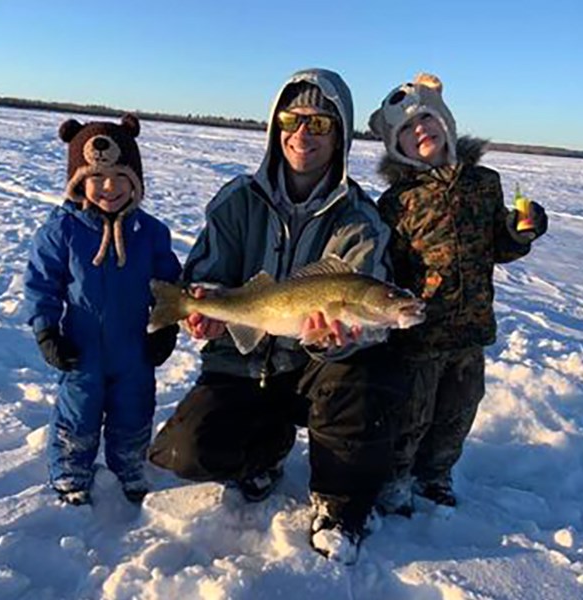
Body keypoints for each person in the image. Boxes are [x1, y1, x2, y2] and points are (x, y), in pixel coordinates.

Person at [149, 68, 405, 563]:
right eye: (292, 119)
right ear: (275, 126)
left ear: (342, 136)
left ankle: (338, 505)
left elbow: (366, 308)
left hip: (314, 370)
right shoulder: (237, 199)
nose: (303, 133)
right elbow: (206, 271)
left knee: (370, 378)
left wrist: (338, 339)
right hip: (243, 363)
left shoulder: (359, 218)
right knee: (182, 453)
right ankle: (263, 453)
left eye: (321, 124)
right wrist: (199, 310)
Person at [368, 73, 548, 515]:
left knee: (458, 411)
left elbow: (498, 246)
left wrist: (520, 231)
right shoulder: (396, 202)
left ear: (446, 123)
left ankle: (436, 475)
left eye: (427, 119)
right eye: (407, 130)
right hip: (419, 334)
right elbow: (385, 267)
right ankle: (396, 479)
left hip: (471, 330)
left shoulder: (484, 183)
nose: (420, 131)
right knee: (412, 414)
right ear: (397, 147)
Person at [24, 115, 181, 507]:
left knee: (135, 410)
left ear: (136, 183)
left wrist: (166, 328)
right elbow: (42, 284)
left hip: (134, 347)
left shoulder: (151, 233)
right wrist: (47, 331)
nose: (108, 188)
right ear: (79, 183)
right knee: (78, 412)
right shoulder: (61, 231)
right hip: (83, 348)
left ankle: (129, 467)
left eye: (119, 178)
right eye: (96, 178)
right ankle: (71, 472)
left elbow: (169, 283)